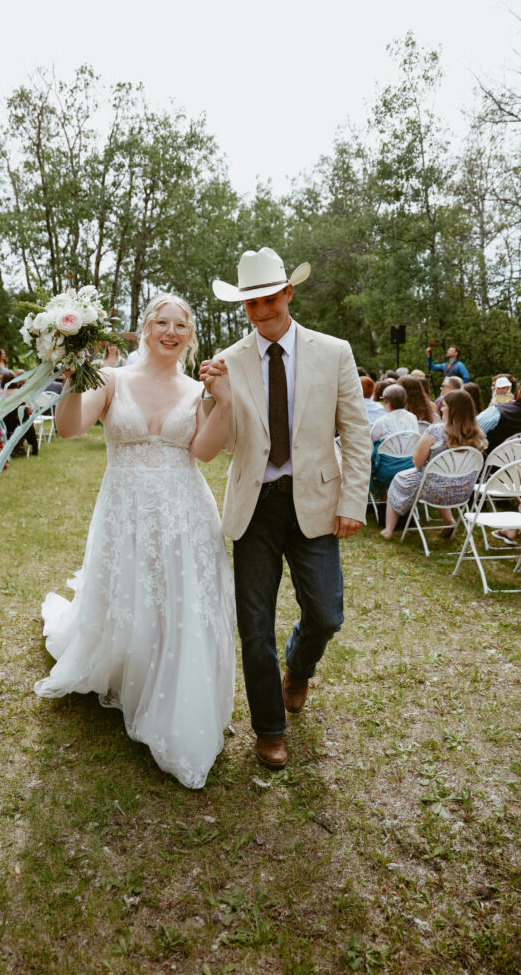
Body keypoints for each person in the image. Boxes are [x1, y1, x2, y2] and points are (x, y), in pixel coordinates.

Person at [34, 294, 236, 790]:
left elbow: (205, 453)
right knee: (130, 592)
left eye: (181, 325)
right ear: (144, 328)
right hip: (123, 509)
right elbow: (69, 428)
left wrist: (225, 402)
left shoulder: (198, 389)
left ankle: (174, 686)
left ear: (190, 334)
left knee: (177, 600)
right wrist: (71, 376)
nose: (171, 331)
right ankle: (131, 669)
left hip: (184, 509)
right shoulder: (112, 380)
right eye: (161, 322)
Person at [201, 247, 370, 771]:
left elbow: (356, 432)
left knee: (326, 613)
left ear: (288, 294)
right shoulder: (228, 360)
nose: (260, 312)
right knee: (254, 625)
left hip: (316, 500)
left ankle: (298, 668)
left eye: (268, 300)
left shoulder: (334, 351)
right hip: (255, 505)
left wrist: (352, 501)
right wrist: (216, 398)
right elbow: (225, 444)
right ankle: (269, 729)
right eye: (250, 305)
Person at [380, 389, 485, 540]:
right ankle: (448, 520)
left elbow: (417, 462)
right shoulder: (478, 434)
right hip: (462, 490)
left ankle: (389, 529)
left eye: (445, 405)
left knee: (399, 478)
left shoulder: (435, 431)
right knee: (441, 477)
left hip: (433, 489)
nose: (441, 408)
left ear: (453, 410)